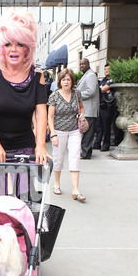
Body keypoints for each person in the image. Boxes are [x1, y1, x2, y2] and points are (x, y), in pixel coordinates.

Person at [0, 8, 49, 167]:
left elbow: (41, 113)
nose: (14, 49)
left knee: (24, 192)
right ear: (2, 47)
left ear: (27, 47)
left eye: (20, 43)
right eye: (8, 44)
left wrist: (41, 145)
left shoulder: (37, 75)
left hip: (24, 143)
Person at [48, 68, 86, 201]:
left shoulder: (77, 93)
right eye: (63, 79)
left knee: (75, 156)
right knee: (58, 159)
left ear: (72, 81)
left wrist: (82, 114)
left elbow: (81, 107)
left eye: (68, 79)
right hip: (59, 131)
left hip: (75, 130)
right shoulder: (54, 96)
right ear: (60, 81)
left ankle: (75, 189)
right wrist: (53, 134)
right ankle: (57, 183)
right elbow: (50, 116)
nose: (66, 82)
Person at [76, 58, 99, 159]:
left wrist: (77, 95)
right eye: (80, 64)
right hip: (86, 109)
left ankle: (85, 154)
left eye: (83, 64)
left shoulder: (91, 75)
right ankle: (86, 152)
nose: (81, 66)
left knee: (88, 133)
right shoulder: (86, 75)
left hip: (89, 109)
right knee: (86, 132)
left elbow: (91, 91)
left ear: (88, 64)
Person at [93, 63, 118, 152]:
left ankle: (106, 145)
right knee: (99, 126)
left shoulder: (113, 80)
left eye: (108, 69)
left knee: (106, 127)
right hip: (100, 106)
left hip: (108, 107)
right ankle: (97, 143)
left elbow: (102, 89)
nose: (106, 70)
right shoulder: (103, 80)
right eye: (105, 69)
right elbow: (99, 88)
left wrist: (103, 88)